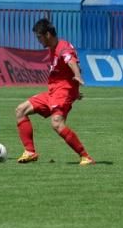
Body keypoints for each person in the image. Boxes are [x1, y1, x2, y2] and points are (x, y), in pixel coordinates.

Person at [15, 18, 95, 166]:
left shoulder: (63, 47)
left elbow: (70, 60)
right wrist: (75, 91)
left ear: (48, 35)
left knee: (57, 123)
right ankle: (30, 152)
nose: (38, 40)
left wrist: (77, 76)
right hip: (53, 92)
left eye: (39, 37)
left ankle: (85, 156)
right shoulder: (53, 48)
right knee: (21, 110)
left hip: (62, 92)